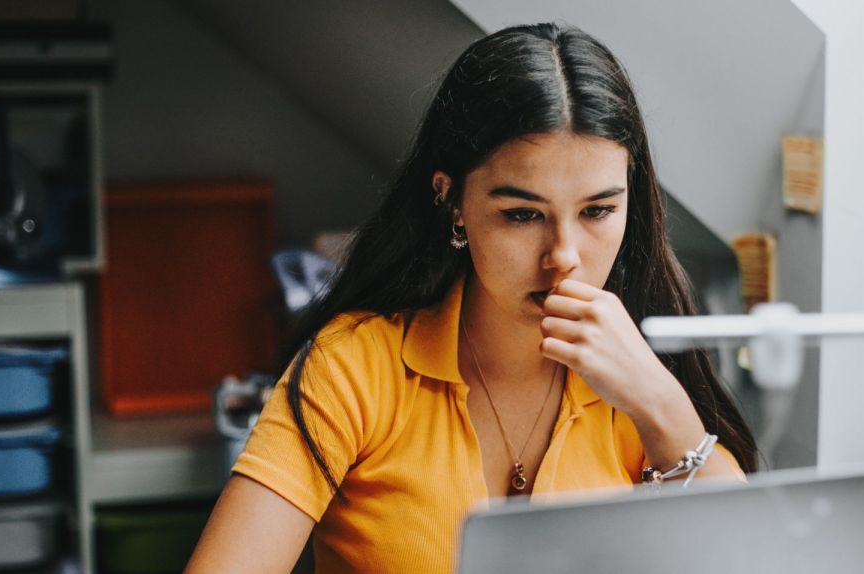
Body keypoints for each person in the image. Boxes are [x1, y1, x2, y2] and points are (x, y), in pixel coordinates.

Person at [186, 22, 757, 574]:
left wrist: (660, 403)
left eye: (598, 211)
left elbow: (756, 557)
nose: (564, 254)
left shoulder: (641, 385)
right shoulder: (354, 367)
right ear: (452, 201)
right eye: (522, 214)